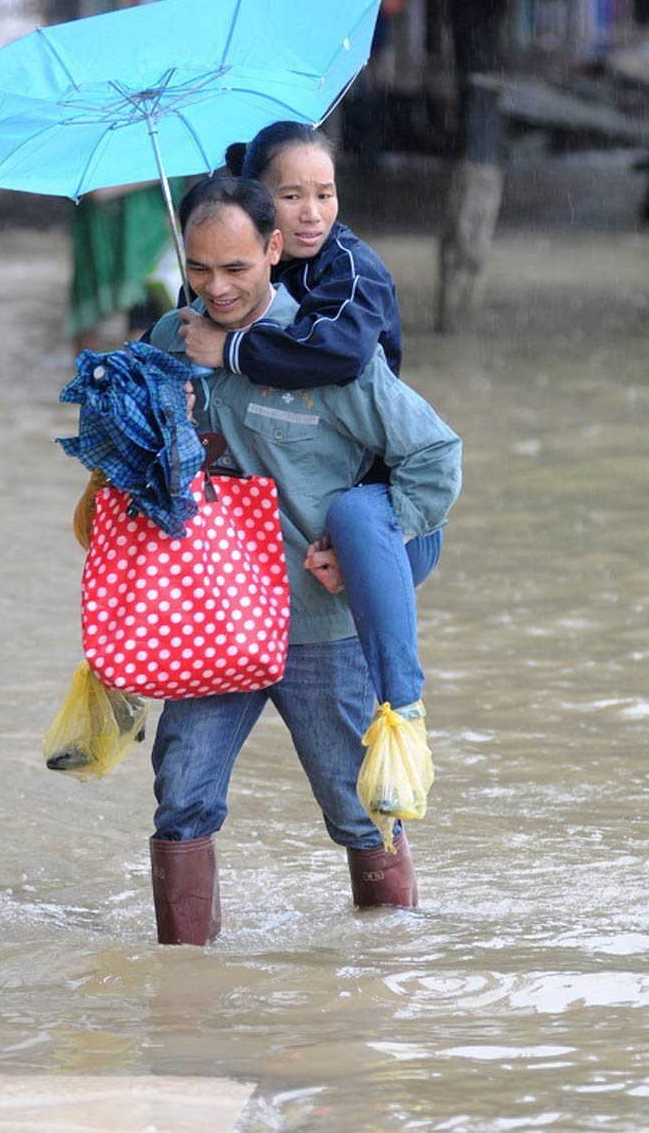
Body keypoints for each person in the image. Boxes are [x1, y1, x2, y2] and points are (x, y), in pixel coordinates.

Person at [140, 176, 461, 944]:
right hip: (211, 629)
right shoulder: (166, 345)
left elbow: (435, 457)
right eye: (199, 268)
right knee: (180, 792)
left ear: (274, 251)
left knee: (361, 810)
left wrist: (367, 548)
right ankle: (184, 995)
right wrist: (162, 427)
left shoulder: (326, 353)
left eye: (238, 268)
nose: (216, 287)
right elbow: (124, 471)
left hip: (319, 624)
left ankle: (388, 976)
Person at [177, 121, 440, 735]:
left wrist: (231, 349)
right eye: (291, 196)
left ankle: (403, 714)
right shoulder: (224, 276)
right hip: (281, 538)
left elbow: (343, 353)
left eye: (325, 193)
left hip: (377, 495)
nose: (311, 214)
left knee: (350, 517)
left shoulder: (349, 267)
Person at [65, 182, 179, 356]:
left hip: (145, 234)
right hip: (103, 234)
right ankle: (88, 375)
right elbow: (95, 191)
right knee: (89, 306)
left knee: (143, 314)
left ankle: (137, 375)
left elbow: (97, 191)